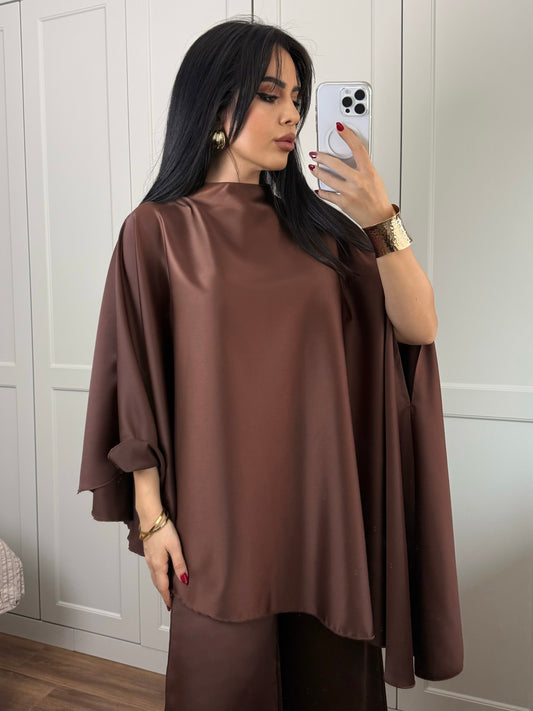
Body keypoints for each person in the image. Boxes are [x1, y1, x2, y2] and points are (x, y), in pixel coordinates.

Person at [78, 17, 463, 711]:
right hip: (218, 518)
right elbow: (135, 380)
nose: (291, 114)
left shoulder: (324, 233)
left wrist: (380, 217)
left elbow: (418, 327)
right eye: (268, 94)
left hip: (325, 514)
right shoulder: (156, 230)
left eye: (297, 98)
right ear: (213, 103)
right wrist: (153, 518)